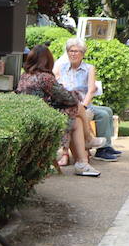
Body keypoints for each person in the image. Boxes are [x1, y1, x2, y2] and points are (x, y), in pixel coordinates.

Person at [17, 44, 99, 177]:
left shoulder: (25, 76)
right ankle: (86, 147)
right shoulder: (45, 77)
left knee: (76, 118)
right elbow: (67, 98)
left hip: (33, 114)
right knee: (76, 109)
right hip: (44, 117)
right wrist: (75, 94)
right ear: (47, 60)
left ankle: (83, 161)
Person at [55, 38, 119, 160]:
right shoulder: (61, 67)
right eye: (71, 51)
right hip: (69, 104)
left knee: (108, 111)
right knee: (103, 115)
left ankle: (106, 147)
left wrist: (84, 105)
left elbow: (91, 90)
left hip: (84, 103)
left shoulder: (89, 68)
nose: (73, 54)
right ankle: (102, 149)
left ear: (83, 54)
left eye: (77, 51)